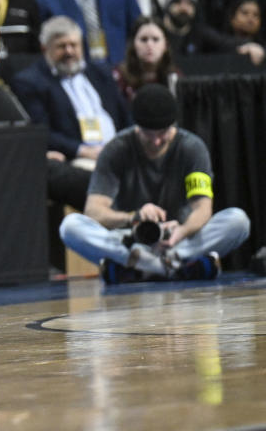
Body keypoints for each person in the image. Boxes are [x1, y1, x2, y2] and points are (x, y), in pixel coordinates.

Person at [60, 83, 250, 282]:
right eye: (148, 135)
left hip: (179, 239)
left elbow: (203, 208)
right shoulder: (115, 150)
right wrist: (134, 217)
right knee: (70, 227)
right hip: (131, 240)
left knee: (238, 221)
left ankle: (143, 267)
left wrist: (181, 232)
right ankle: (172, 266)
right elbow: (94, 211)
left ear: (173, 125)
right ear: (136, 127)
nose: (157, 141)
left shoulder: (192, 148)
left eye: (163, 133)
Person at [11, 16, 132, 163]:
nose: (69, 51)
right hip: (77, 157)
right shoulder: (31, 82)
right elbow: (42, 132)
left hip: (119, 150)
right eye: (61, 46)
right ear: (45, 49)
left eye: (74, 45)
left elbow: (125, 115)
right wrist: (81, 150)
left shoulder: (101, 74)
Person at [162, 0, 265, 65]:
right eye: (178, 2)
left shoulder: (199, 32)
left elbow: (224, 43)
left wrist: (249, 45)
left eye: (189, 4)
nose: (184, 8)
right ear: (167, 5)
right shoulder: (158, 30)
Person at [113, 16, 180, 101]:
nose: (149, 45)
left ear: (165, 45)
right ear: (133, 44)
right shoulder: (119, 77)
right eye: (144, 39)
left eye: (155, 39)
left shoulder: (175, 78)